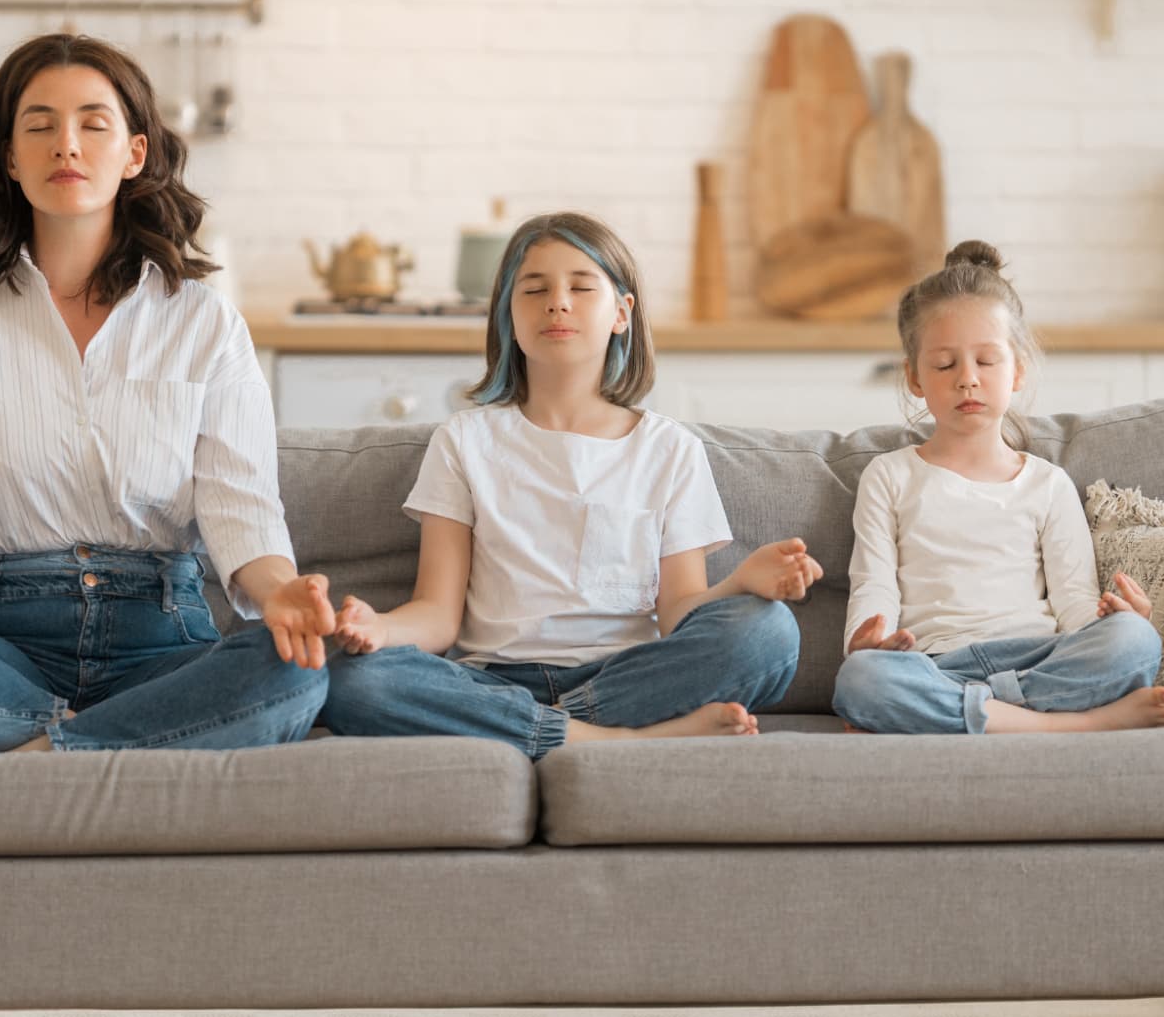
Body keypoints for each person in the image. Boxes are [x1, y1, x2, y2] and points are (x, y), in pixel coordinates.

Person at [0, 33, 332, 755]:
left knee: (293, 676)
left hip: (164, 646)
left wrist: (279, 592)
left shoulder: (204, 324)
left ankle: (19, 754)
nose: (65, 145)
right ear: (10, 158)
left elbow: (241, 509)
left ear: (134, 154)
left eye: (92, 124)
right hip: (5, 646)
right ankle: (103, 750)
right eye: (39, 126)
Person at [318, 211, 817, 757]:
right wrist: (381, 630)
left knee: (767, 633)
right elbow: (437, 614)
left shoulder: (671, 450)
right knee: (354, 679)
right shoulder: (464, 440)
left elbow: (679, 615)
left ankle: (542, 729)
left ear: (622, 314)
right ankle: (608, 740)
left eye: (581, 286)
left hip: (624, 677)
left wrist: (742, 583)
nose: (558, 302)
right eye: (534, 289)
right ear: (509, 313)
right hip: (495, 678)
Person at [833, 240, 1164, 735]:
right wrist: (867, 643)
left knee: (1135, 642)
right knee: (862, 679)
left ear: (1017, 369)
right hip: (935, 663)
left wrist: (1118, 623)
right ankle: (1073, 725)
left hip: (1037, 656)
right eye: (945, 364)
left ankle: (955, 716)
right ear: (914, 377)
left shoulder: (1047, 484)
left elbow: (1075, 602)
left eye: (987, 361)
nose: (967, 380)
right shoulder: (889, 476)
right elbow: (875, 585)